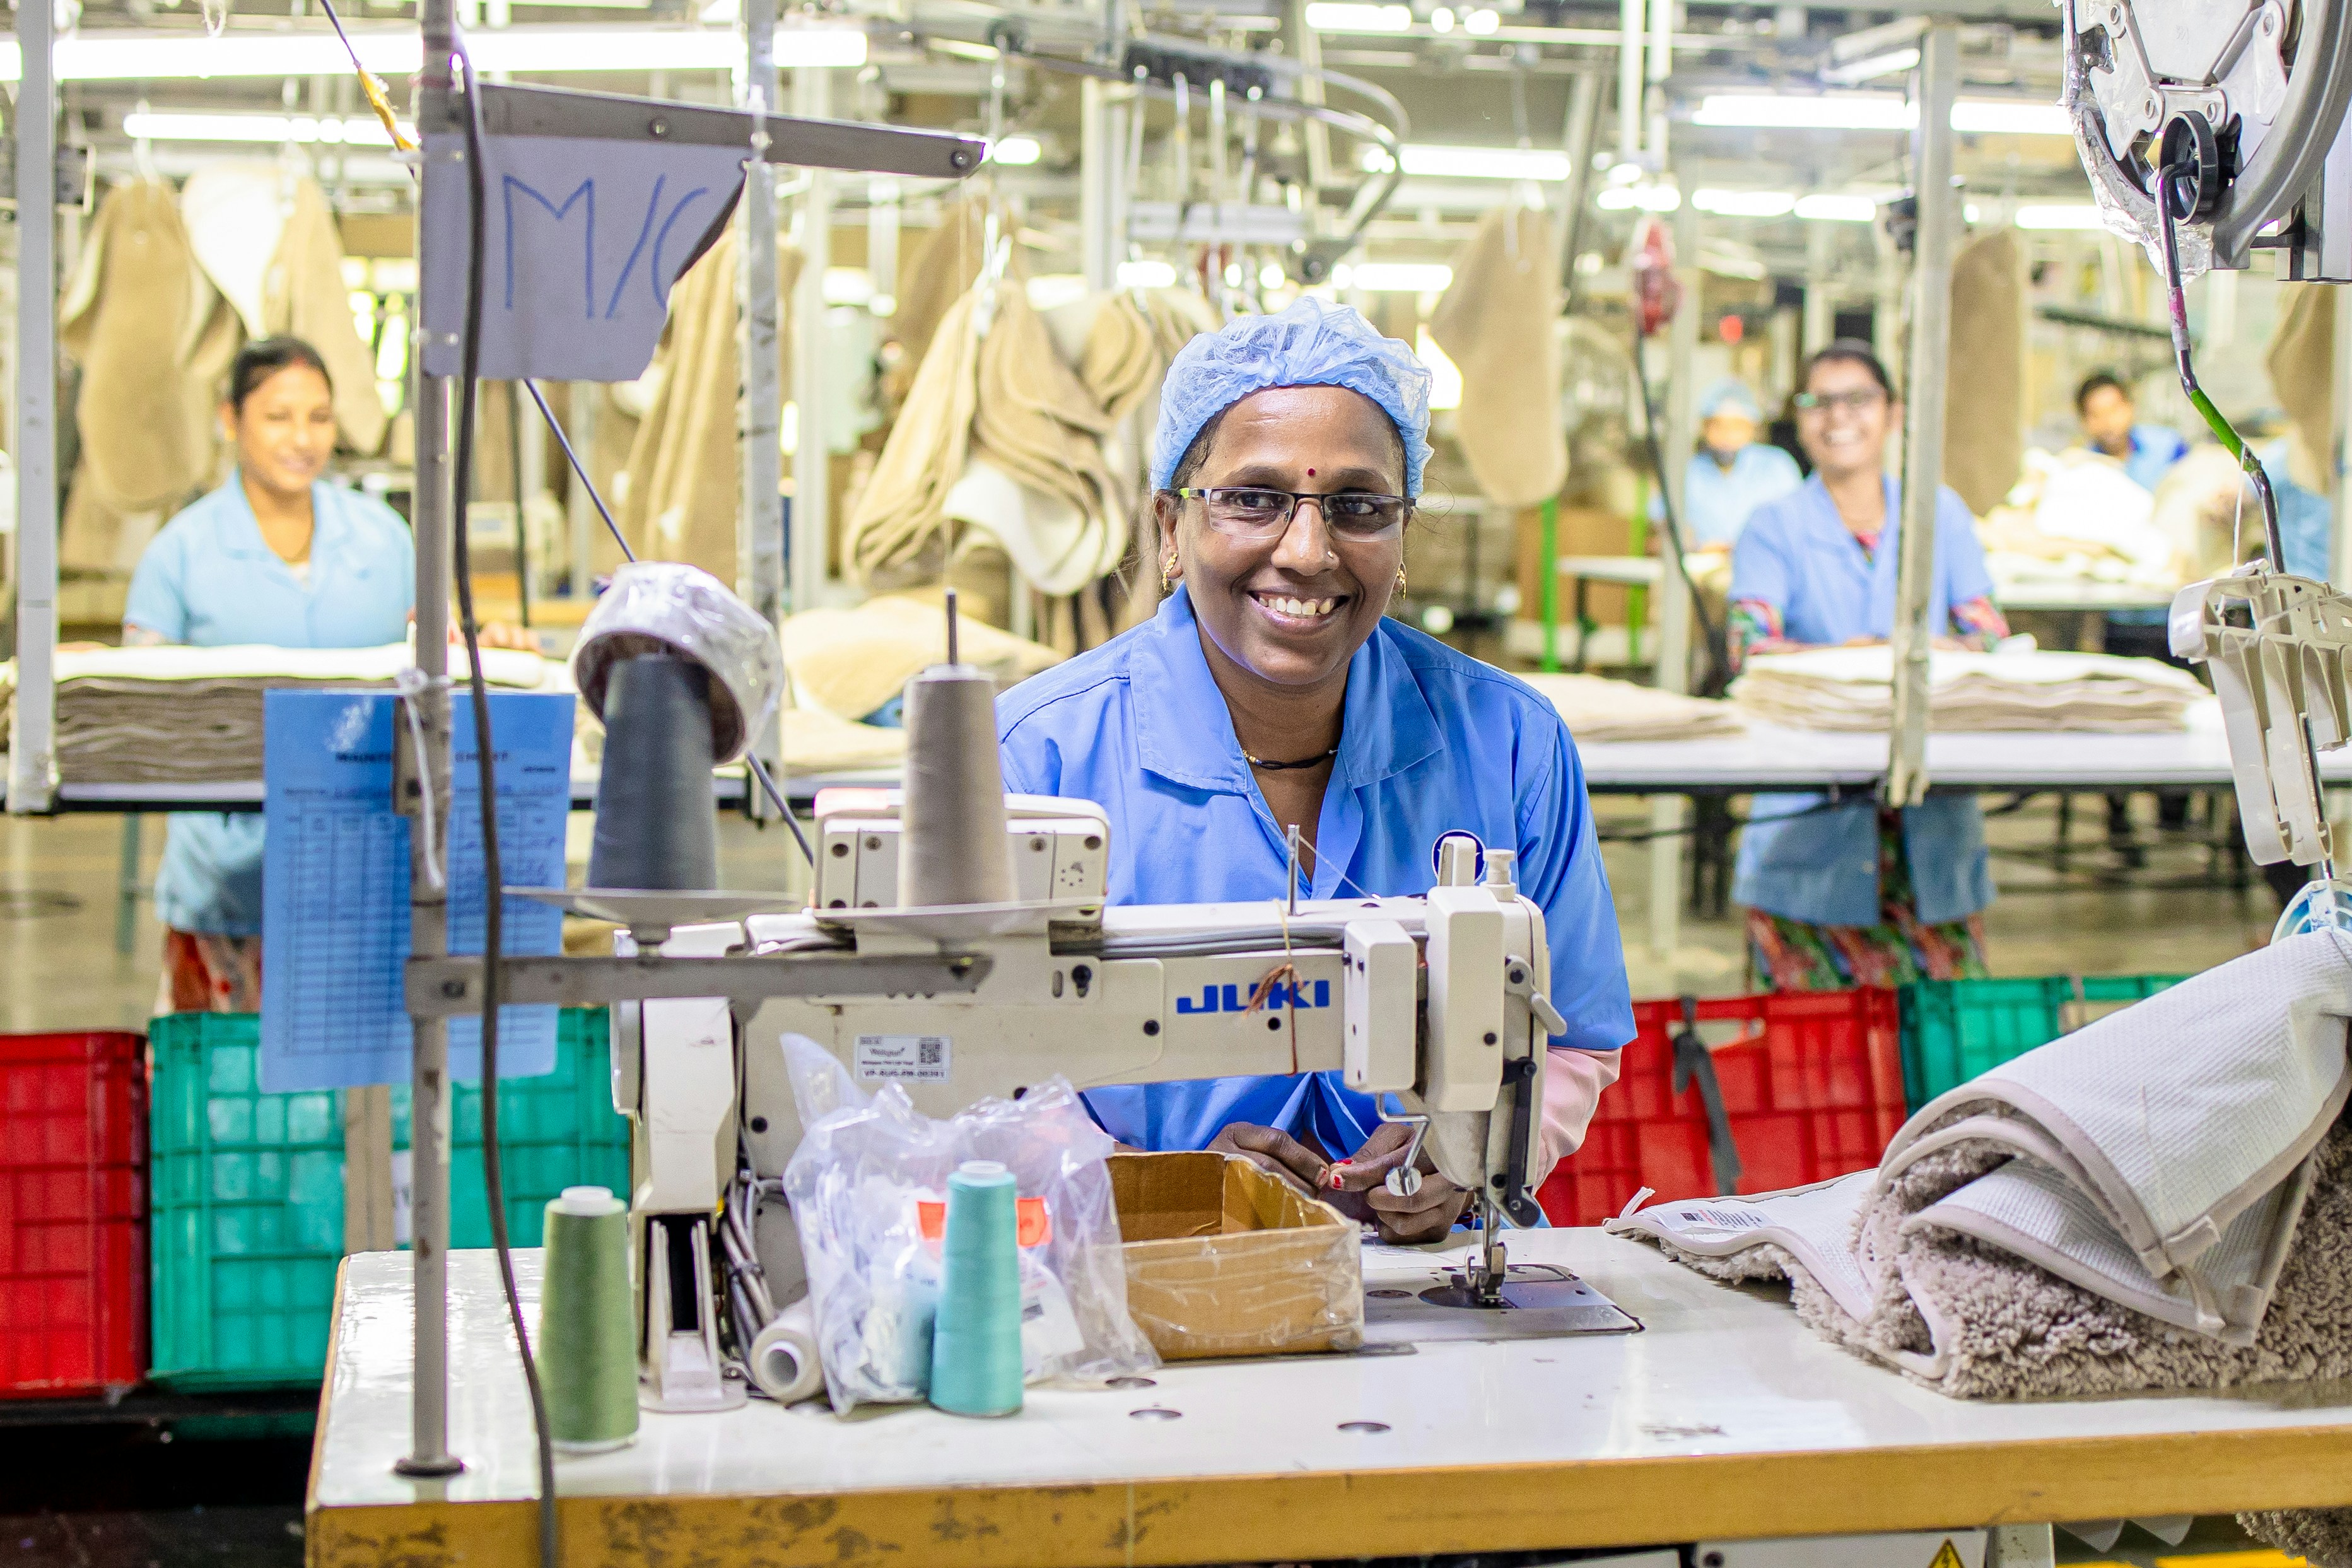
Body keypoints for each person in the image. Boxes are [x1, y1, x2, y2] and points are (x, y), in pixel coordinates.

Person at [997, 296, 1634, 1242]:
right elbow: (967, 1067)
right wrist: (1151, 1184)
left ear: (1403, 533)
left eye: (1358, 505)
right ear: (1170, 529)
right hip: (1132, 1257)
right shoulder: (1036, 756)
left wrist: (1459, 1155)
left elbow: (1572, 1036)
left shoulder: (1508, 740)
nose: (1307, 550)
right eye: (1253, 498)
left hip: (1427, 1268)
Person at [124, 336, 524, 1014]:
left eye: (319, 417)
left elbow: (439, 650)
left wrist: (493, 646)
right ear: (231, 418)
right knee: (227, 1083)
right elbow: (138, 703)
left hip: (366, 866)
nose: (301, 438)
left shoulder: (384, 539)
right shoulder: (181, 553)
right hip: (229, 880)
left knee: (361, 1088)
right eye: (279, 416)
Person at [1727, 341, 2011, 992]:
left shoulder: (1939, 513)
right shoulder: (1774, 525)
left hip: (1931, 818)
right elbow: (1751, 647)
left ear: (1892, 412)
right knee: (1811, 1064)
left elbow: (1989, 634)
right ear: (1800, 420)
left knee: (1939, 1048)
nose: (1838, 417)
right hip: (1809, 825)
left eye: (1858, 398)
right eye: (1819, 402)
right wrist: (1877, 655)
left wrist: (1923, 652)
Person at [1666, 378, 1803, 551]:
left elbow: (1797, 525)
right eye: (1718, 426)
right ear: (1704, 427)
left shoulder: (1777, 467)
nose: (1726, 435)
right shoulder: (1687, 473)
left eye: (1736, 426)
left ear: (1752, 427)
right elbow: (1663, 525)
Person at [2076, 370, 2189, 494]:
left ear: (2130, 407)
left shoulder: (2169, 446)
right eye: (2096, 415)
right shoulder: (2083, 467)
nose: (2108, 422)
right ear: (2084, 421)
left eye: (2114, 410)